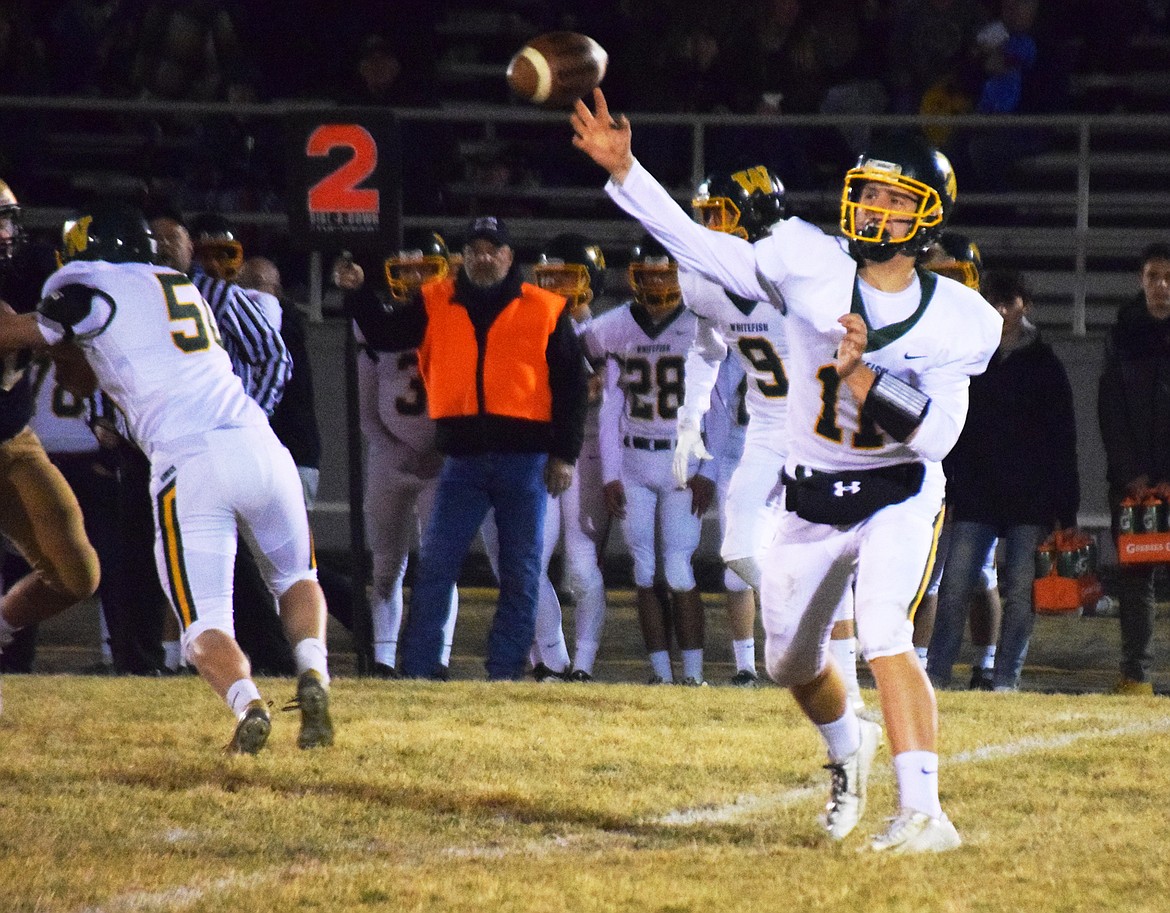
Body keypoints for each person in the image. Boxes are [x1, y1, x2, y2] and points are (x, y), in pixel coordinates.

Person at [571, 88, 1001, 851]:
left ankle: (925, 810)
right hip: (808, 493)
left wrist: (868, 378)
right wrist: (629, 172)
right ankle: (848, 747)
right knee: (787, 661)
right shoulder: (809, 263)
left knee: (882, 632)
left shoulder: (959, 317)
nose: (868, 208)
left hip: (896, 491)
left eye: (888, 199)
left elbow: (936, 439)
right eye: (863, 192)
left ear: (926, 217)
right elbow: (707, 250)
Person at [0, 201, 334, 753]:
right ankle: (314, 674)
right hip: (261, 443)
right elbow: (86, 374)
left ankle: (249, 706)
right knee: (297, 576)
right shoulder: (179, 284)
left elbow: (16, 335)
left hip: (190, 459)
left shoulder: (84, 286)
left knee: (204, 629)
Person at [675, 165, 864, 700]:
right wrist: (690, 419)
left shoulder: (795, 269)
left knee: (828, 552)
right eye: (704, 216)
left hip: (815, 426)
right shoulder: (698, 278)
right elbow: (707, 349)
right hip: (763, 425)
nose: (708, 227)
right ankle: (803, 609)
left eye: (721, 215)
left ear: (754, 216)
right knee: (737, 549)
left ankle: (846, 684)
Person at [392, 216, 588, 681]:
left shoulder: (544, 307)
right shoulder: (436, 298)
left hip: (526, 458)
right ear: (464, 256)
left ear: (508, 256)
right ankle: (420, 667)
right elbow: (386, 333)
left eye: (492, 249)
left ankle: (504, 669)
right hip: (461, 458)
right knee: (438, 563)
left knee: (521, 570)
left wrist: (565, 453)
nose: (483, 257)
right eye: (474, 249)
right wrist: (358, 294)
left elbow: (572, 386)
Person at [150, 209, 296, 675]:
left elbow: (273, 354)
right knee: (178, 561)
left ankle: (264, 664)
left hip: (219, 442)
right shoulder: (137, 291)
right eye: (159, 240)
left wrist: (248, 413)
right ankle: (171, 660)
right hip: (170, 443)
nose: (167, 248)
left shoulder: (219, 294)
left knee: (250, 569)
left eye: (175, 240)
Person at [926, 268, 1079, 692]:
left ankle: (1005, 678)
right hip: (977, 493)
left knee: (1019, 594)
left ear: (1023, 305)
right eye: (993, 302)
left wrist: (1065, 509)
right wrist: (952, 487)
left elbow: (1062, 438)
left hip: (1029, 499)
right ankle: (936, 675)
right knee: (955, 587)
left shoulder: (1045, 365)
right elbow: (957, 426)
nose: (999, 312)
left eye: (1007, 303)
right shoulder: (974, 358)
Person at [481, 233, 612, 682]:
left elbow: (607, 394)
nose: (555, 286)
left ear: (590, 279)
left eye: (566, 277)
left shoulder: (605, 330)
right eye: (548, 277)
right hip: (545, 453)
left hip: (591, 454)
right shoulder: (530, 322)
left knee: (578, 563)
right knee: (528, 558)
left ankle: (584, 664)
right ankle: (548, 659)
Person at [332, 230, 461, 678]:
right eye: (405, 270)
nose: (414, 279)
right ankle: (384, 660)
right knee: (386, 567)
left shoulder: (456, 315)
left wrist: (440, 451)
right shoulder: (375, 322)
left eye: (424, 269)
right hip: (391, 457)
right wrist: (397, 450)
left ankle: (436, 660)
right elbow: (368, 411)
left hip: (442, 459)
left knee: (439, 564)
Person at [585, 234, 708, 686]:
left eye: (666, 273)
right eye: (649, 275)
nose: (657, 285)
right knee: (643, 570)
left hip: (680, 459)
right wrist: (611, 473)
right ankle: (661, 674)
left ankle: (693, 677)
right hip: (634, 458)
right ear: (633, 278)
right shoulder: (614, 325)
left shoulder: (700, 323)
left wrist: (708, 469)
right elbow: (609, 403)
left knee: (678, 570)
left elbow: (710, 398)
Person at [0, 178, 101, 710]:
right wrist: (54, 328)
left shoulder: (34, 266)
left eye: (7, 218)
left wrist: (70, 347)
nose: (2, 232)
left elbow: (78, 379)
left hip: (12, 438)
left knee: (76, 573)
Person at [914, 233, 1003, 690]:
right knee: (927, 579)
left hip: (977, 476)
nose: (944, 288)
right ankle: (921, 663)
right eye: (937, 276)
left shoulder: (983, 328)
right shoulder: (914, 321)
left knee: (980, 576)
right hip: (929, 465)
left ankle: (986, 663)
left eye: (953, 276)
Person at [1097, 242, 1170, 695]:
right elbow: (1110, 409)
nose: (1161, 286)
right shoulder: (1121, 334)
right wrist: (1132, 474)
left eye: (1167, 277)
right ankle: (1135, 673)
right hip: (1132, 484)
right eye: (1152, 277)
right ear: (1141, 282)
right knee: (1135, 577)